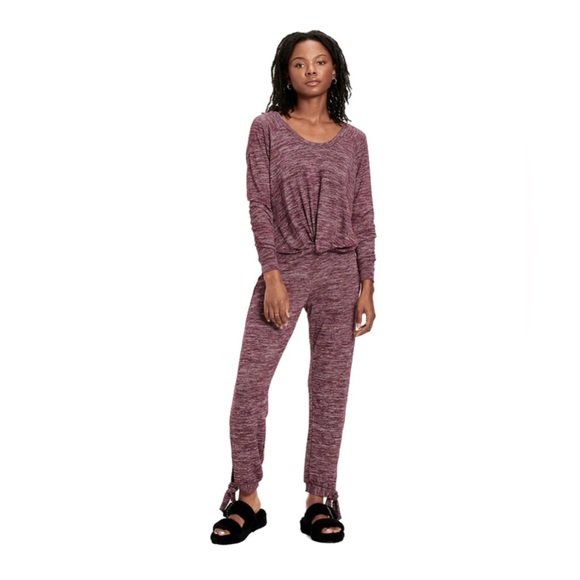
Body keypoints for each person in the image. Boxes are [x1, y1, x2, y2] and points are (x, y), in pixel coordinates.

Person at [210, 29, 376, 545]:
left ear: (334, 70)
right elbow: (258, 203)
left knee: (330, 390)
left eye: (320, 61)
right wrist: (272, 274)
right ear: (287, 72)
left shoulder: (354, 140)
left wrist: (367, 283)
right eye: (300, 63)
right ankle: (247, 497)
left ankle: (319, 498)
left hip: (341, 271)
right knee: (250, 387)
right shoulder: (266, 129)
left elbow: (363, 214)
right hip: (286, 266)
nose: (310, 70)